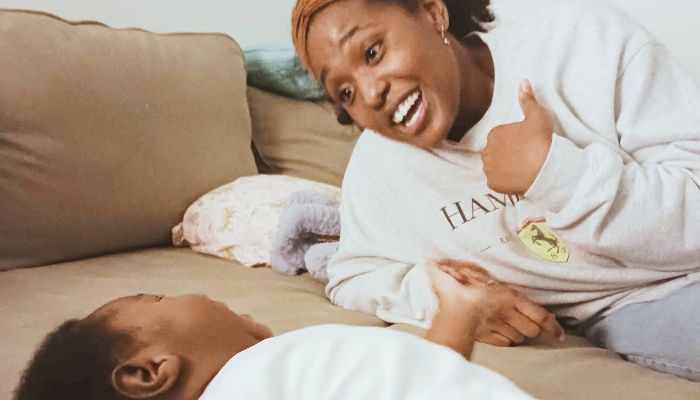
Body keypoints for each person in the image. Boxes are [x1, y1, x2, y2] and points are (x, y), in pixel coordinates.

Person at [291, 0, 700, 380]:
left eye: (372, 52)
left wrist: (556, 175)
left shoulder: (582, 42)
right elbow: (351, 276)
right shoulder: (376, 169)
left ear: (433, 13)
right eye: (345, 92)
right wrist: (453, 302)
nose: (370, 93)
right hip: (636, 306)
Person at [14, 267, 538, 400]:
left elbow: (417, 379)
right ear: (150, 372)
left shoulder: (284, 379)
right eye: (155, 299)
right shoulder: (265, 370)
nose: (186, 294)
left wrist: (459, 312)